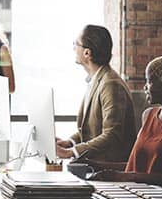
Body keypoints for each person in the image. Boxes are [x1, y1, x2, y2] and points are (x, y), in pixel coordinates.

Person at [91, 56, 162, 192]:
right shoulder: (148, 115)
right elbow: (136, 167)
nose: (145, 87)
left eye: (149, 81)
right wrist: (94, 164)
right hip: (135, 193)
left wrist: (126, 177)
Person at [55, 25, 137, 163]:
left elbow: (111, 135)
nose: (74, 48)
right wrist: (70, 142)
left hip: (109, 169)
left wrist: (71, 153)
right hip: (95, 165)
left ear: (87, 53)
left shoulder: (111, 84)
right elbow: (92, 129)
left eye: (76, 44)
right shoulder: (97, 79)